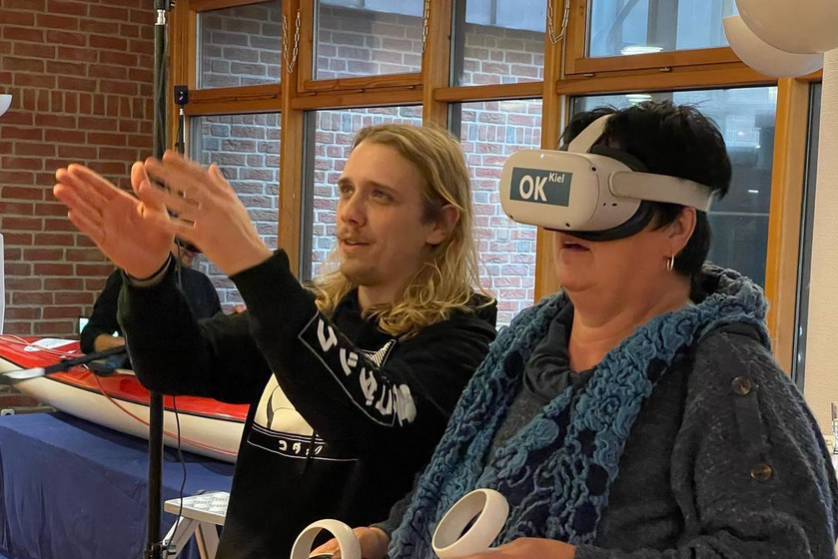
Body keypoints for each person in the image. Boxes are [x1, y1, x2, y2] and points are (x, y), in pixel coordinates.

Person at [317, 101, 838, 559]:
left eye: (602, 200)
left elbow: (785, 548)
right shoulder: (524, 347)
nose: (570, 225)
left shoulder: (728, 378)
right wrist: (383, 537)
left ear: (677, 227)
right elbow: (455, 485)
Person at [53, 123, 497, 558]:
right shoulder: (316, 309)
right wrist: (148, 278)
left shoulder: (462, 342)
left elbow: (369, 425)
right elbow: (174, 365)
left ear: (440, 224)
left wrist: (252, 263)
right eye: (346, 190)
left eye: (380, 195)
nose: (350, 212)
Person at [80, 239, 221, 353]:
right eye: (185, 243)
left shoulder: (202, 283)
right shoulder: (127, 281)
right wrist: (132, 348)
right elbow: (90, 337)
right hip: (139, 378)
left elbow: (217, 340)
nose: (193, 251)